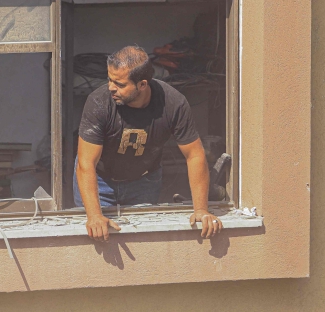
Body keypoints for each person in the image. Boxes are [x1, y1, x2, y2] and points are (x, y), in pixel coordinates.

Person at [74, 45, 223, 241]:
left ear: (142, 84)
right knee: (96, 236)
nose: (111, 87)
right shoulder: (99, 103)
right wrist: (94, 216)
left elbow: (194, 155)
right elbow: (86, 163)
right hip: (100, 181)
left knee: (141, 241)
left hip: (144, 182)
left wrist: (202, 210)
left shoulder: (173, 103)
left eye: (119, 84)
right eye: (109, 79)